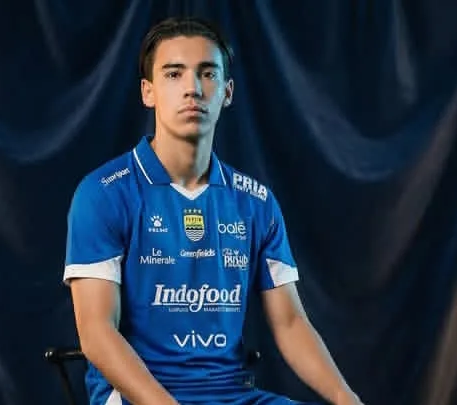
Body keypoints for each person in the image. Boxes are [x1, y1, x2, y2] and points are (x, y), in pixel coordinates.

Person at [63, 16, 364, 405]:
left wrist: (345, 398)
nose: (192, 88)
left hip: (232, 395)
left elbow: (290, 323)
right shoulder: (103, 193)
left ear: (227, 91)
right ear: (148, 92)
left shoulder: (256, 202)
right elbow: (96, 332)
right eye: (174, 74)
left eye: (207, 73)